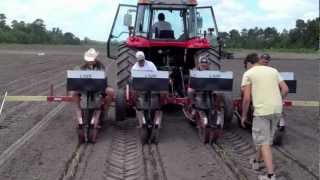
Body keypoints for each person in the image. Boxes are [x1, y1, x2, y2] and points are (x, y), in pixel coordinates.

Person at [241, 53, 289, 180]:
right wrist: (278, 100)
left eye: (246, 65)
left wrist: (244, 116)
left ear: (249, 63)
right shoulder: (273, 71)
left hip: (262, 112)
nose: (246, 68)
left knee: (264, 142)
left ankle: (270, 175)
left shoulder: (249, 73)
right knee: (266, 139)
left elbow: (246, 99)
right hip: (277, 110)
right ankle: (256, 161)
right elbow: (285, 89)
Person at [70, 48, 114, 129]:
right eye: (88, 60)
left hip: (98, 88)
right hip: (84, 88)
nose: (90, 61)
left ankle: (104, 111)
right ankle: (79, 108)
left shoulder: (101, 67)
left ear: (95, 59)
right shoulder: (81, 67)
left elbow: (103, 78)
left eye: (91, 60)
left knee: (110, 92)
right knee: (73, 93)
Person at [131, 51, 162, 128]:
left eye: (142, 60)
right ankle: (138, 107)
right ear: (137, 60)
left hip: (151, 85)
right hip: (140, 87)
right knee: (138, 95)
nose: (141, 62)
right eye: (140, 61)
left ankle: (157, 108)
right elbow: (133, 80)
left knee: (156, 96)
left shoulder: (150, 64)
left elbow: (156, 75)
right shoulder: (135, 67)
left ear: (144, 59)